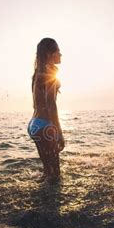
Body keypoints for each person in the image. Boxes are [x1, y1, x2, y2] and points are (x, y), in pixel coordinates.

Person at [27, 38, 65, 184]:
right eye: (58, 51)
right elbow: (50, 103)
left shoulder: (37, 74)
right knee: (55, 177)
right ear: (50, 54)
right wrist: (59, 132)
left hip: (34, 125)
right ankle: (51, 206)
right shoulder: (50, 74)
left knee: (47, 173)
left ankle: (40, 203)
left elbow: (36, 103)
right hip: (45, 126)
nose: (61, 55)